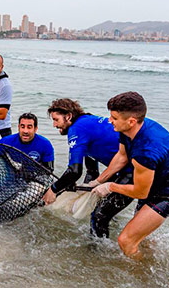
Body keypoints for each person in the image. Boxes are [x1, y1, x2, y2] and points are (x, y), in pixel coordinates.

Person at [90, 92, 169, 258]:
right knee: (139, 237)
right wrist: (99, 180)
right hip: (148, 184)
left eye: (113, 117)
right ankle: (151, 259)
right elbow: (121, 157)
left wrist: (110, 186)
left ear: (131, 121)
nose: (109, 120)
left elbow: (140, 192)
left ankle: (140, 275)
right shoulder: (128, 129)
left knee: (126, 240)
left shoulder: (146, 151)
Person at [42, 98, 133, 238]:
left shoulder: (76, 129)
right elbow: (92, 172)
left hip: (134, 170)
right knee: (105, 207)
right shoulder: (87, 122)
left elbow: (74, 171)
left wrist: (53, 190)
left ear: (69, 116)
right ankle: (113, 232)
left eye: (56, 120)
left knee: (98, 216)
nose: (54, 125)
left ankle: (98, 254)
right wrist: (77, 188)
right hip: (125, 168)